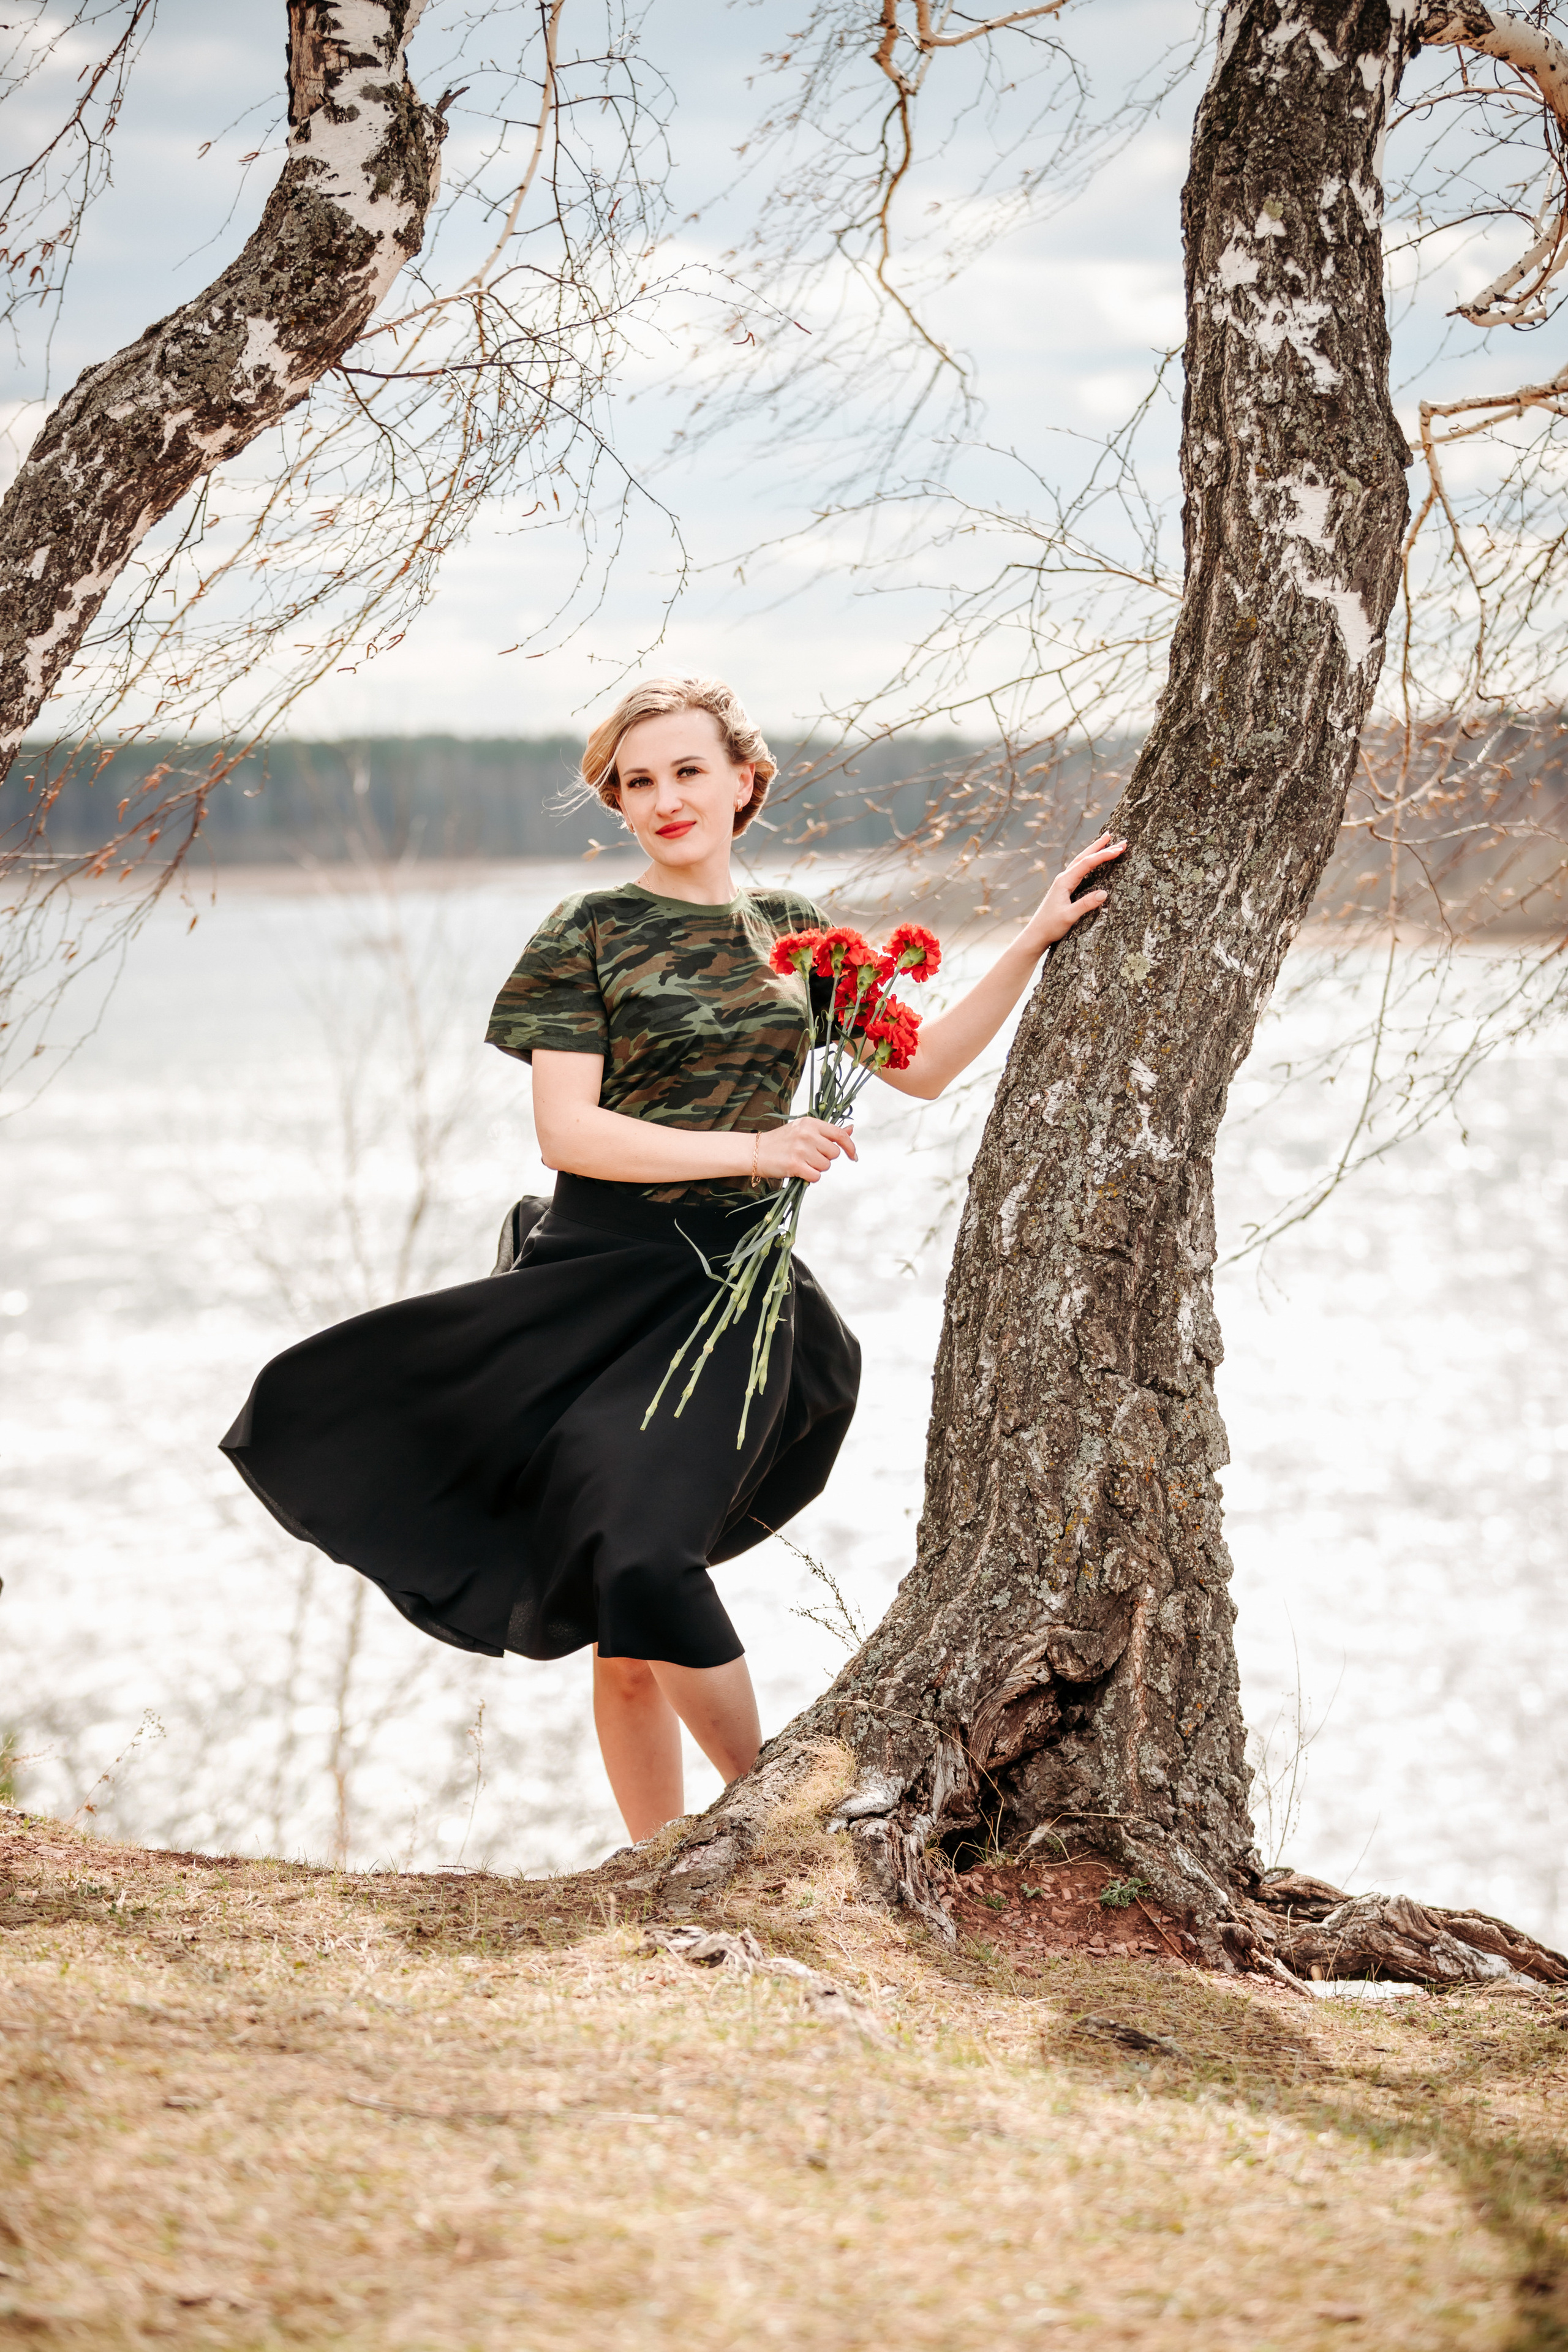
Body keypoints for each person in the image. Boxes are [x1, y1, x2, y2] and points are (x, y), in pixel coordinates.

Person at [221, 676, 1125, 1843]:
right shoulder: (588, 932)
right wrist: (754, 1145)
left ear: (745, 780)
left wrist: (1035, 934)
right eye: (637, 782)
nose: (664, 799)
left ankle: (776, 1831)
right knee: (624, 1594)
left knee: (639, 1560)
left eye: (687, 771)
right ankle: (677, 1857)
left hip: (733, 1301)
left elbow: (927, 1065)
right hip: (593, 1280)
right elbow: (568, 1133)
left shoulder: (796, 932)